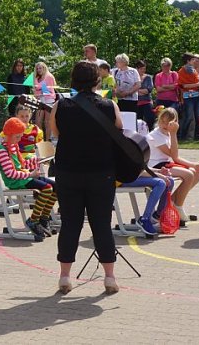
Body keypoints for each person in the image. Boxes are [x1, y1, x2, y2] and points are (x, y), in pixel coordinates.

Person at [48, 61, 122, 295]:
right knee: (102, 224)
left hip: (68, 171)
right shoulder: (109, 105)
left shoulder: (60, 106)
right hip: (101, 172)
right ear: (96, 81)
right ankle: (109, 277)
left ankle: (64, 277)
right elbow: (118, 131)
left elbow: (55, 134)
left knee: (71, 223)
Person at [0, 117, 56, 239]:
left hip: (23, 177)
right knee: (47, 188)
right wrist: (30, 174)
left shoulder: (13, 146)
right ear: (9, 134)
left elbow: (22, 165)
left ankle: (44, 219)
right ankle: (33, 220)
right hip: (15, 181)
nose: (19, 140)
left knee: (56, 187)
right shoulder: (2, 150)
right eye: (17, 137)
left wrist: (37, 161)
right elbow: (11, 173)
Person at [146, 107, 199, 222]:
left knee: (196, 174)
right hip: (157, 166)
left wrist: (193, 165)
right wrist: (173, 134)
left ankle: (171, 203)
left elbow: (175, 158)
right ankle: (178, 207)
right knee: (188, 175)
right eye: (162, 121)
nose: (164, 124)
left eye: (168, 122)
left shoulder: (167, 133)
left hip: (166, 163)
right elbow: (173, 155)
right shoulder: (156, 135)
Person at [177, 53, 199, 140]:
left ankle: (197, 136)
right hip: (188, 97)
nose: (194, 61)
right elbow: (183, 85)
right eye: (192, 60)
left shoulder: (194, 70)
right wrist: (197, 84)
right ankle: (183, 136)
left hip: (197, 96)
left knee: (198, 116)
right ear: (188, 61)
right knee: (188, 117)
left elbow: (197, 82)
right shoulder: (181, 71)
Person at [32, 62, 57, 134]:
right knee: (38, 121)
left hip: (49, 100)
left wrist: (40, 90)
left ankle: (48, 140)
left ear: (44, 68)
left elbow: (49, 90)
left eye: (40, 68)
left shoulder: (49, 76)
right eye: (37, 68)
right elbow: (36, 91)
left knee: (47, 122)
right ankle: (40, 140)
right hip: (40, 100)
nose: (38, 70)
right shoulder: (36, 78)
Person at [134, 59, 155, 129]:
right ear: (136, 68)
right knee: (137, 120)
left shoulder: (148, 77)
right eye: (141, 69)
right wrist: (140, 91)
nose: (143, 70)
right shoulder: (133, 77)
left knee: (150, 118)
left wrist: (137, 90)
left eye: (144, 69)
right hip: (136, 102)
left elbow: (149, 90)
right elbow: (131, 89)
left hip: (147, 102)